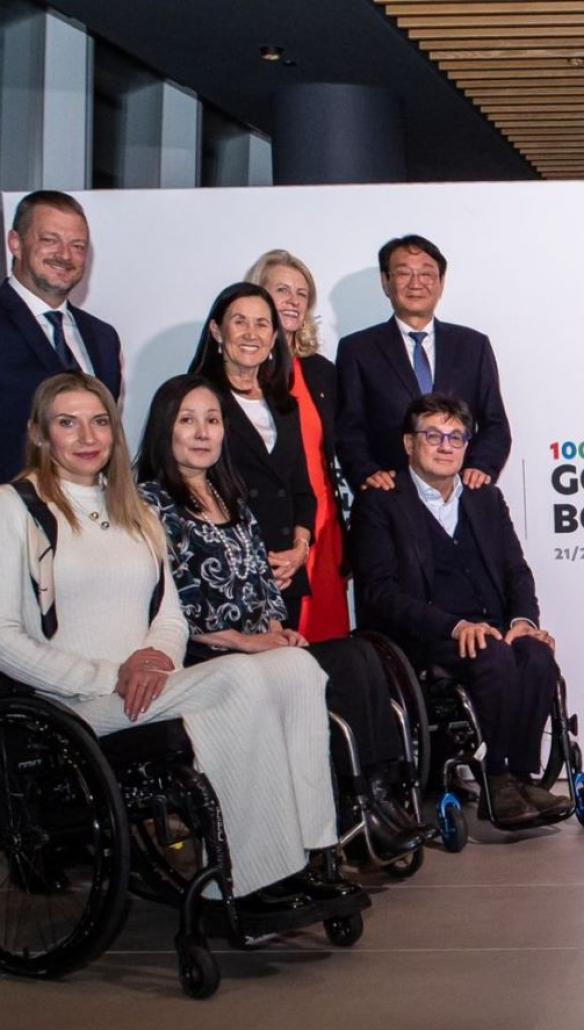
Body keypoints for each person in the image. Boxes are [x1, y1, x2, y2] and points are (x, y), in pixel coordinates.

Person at [0, 370, 360, 916]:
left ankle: (309, 852)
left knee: (295, 667)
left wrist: (153, 657)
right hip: (74, 704)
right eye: (67, 424)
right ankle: (244, 877)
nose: (87, 437)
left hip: (150, 686)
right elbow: (4, 639)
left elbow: (169, 615)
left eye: (99, 422)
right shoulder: (15, 506)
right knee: (239, 677)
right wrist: (110, 676)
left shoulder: (133, 507)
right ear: (40, 434)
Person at [136, 373, 431, 859]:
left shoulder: (232, 497)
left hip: (262, 649)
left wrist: (276, 629)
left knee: (360, 654)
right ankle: (362, 813)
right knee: (340, 667)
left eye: (212, 419)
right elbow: (166, 602)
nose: (203, 432)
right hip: (206, 657)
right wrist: (242, 641)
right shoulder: (149, 504)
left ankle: (374, 802)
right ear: (165, 429)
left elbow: (263, 585)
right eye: (188, 421)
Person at [351, 393, 569, 826]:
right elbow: (380, 593)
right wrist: (453, 626)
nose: (446, 445)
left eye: (456, 436)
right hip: (430, 636)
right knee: (493, 655)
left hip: (494, 627)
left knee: (537, 655)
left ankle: (523, 777)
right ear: (409, 444)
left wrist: (524, 622)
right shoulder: (381, 502)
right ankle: (497, 780)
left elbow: (515, 571)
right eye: (432, 435)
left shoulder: (484, 498)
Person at [335, 233, 511, 495]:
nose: (416, 283)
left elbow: (495, 423)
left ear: (440, 283)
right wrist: (367, 473)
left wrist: (481, 467)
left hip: (460, 495)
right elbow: (349, 429)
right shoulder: (358, 349)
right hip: (390, 497)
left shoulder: (473, 346)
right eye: (404, 273)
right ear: (386, 282)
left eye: (427, 274)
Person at [188, 282, 313, 630]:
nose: (251, 333)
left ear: (274, 337)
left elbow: (301, 489)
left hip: (284, 573)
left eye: (262, 324)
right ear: (216, 330)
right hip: (224, 574)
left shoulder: (285, 405)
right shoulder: (195, 398)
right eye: (239, 321)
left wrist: (300, 549)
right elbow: (183, 490)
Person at [245, 249, 349, 641]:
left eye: (302, 294)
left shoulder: (321, 372)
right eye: (282, 290)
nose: (292, 301)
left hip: (323, 526)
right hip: (267, 532)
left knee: (327, 641)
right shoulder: (239, 370)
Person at [0, 191, 122, 483]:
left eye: (77, 245)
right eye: (50, 240)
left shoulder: (104, 338)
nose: (65, 255)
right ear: (15, 243)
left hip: (89, 514)